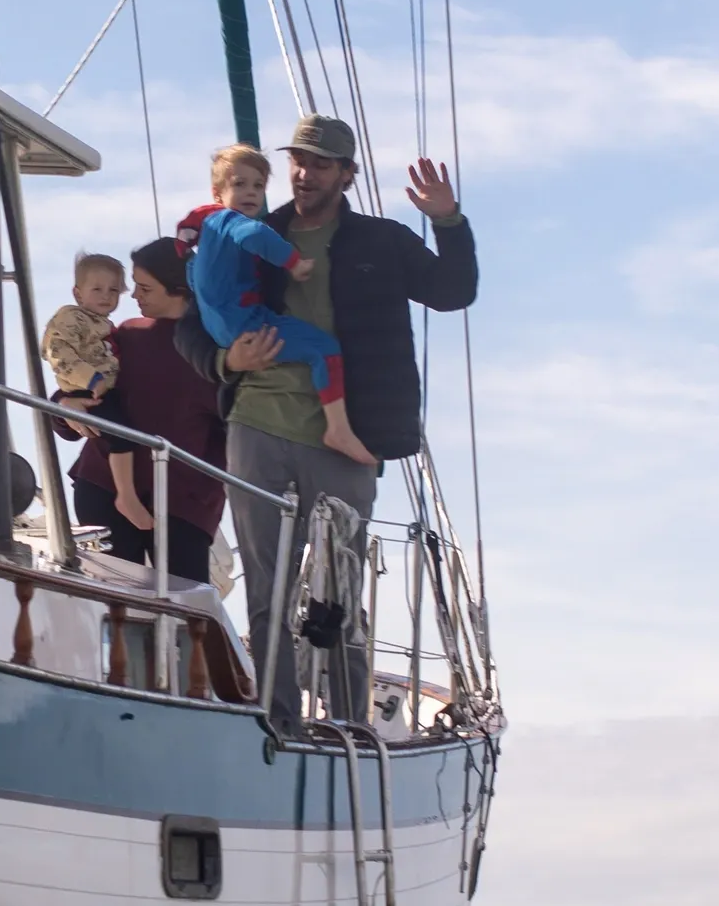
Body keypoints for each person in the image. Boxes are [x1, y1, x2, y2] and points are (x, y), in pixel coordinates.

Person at [175, 113, 477, 725]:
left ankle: (349, 727)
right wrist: (225, 359)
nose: (303, 174)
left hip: (347, 437)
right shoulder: (254, 230)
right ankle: (276, 722)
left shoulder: (382, 241)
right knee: (267, 589)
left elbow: (453, 290)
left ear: (346, 173)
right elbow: (188, 320)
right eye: (297, 161)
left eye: (318, 164)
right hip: (257, 423)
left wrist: (447, 220)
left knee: (340, 589)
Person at [179, 142, 375, 468]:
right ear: (218, 193)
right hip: (247, 326)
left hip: (226, 326)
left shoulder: (204, 235)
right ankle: (338, 429)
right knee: (325, 350)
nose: (250, 192)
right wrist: (293, 261)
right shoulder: (228, 221)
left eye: (258, 185)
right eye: (239, 184)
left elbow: (194, 278)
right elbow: (255, 234)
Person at [64, 238, 226, 585]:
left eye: (145, 288)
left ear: (178, 289)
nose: (133, 296)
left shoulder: (216, 351)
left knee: (186, 616)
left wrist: (199, 499)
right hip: (103, 488)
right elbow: (82, 379)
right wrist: (64, 406)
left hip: (183, 506)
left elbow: (233, 434)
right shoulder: (127, 334)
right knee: (112, 611)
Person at [42, 253, 126, 405]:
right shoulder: (72, 318)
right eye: (97, 289)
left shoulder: (106, 326)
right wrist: (91, 379)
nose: (106, 296)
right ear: (78, 295)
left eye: (113, 290)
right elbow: (59, 352)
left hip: (109, 390)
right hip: (85, 391)